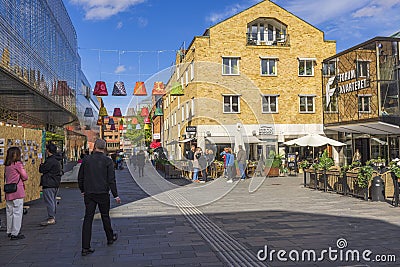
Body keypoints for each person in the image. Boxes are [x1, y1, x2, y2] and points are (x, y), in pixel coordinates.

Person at [78, 139, 121, 256]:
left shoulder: (86, 160)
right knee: (105, 216)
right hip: (103, 193)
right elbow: (111, 180)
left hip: (89, 193)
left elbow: (80, 177)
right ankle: (110, 237)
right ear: (104, 148)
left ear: (95, 147)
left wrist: (82, 190)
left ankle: (85, 247)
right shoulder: (108, 161)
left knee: (88, 218)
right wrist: (115, 195)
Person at [4, 147, 28, 240]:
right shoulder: (17, 164)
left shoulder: (7, 165)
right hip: (17, 190)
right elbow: (25, 176)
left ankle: (9, 231)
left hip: (9, 191)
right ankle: (15, 232)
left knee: (9, 211)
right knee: (17, 211)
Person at [39, 143, 62, 226]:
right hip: (55, 183)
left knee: (49, 201)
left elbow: (42, 169)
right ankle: (52, 216)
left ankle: (51, 217)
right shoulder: (57, 159)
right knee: (53, 200)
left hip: (49, 183)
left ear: (48, 150)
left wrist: (41, 164)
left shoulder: (50, 161)